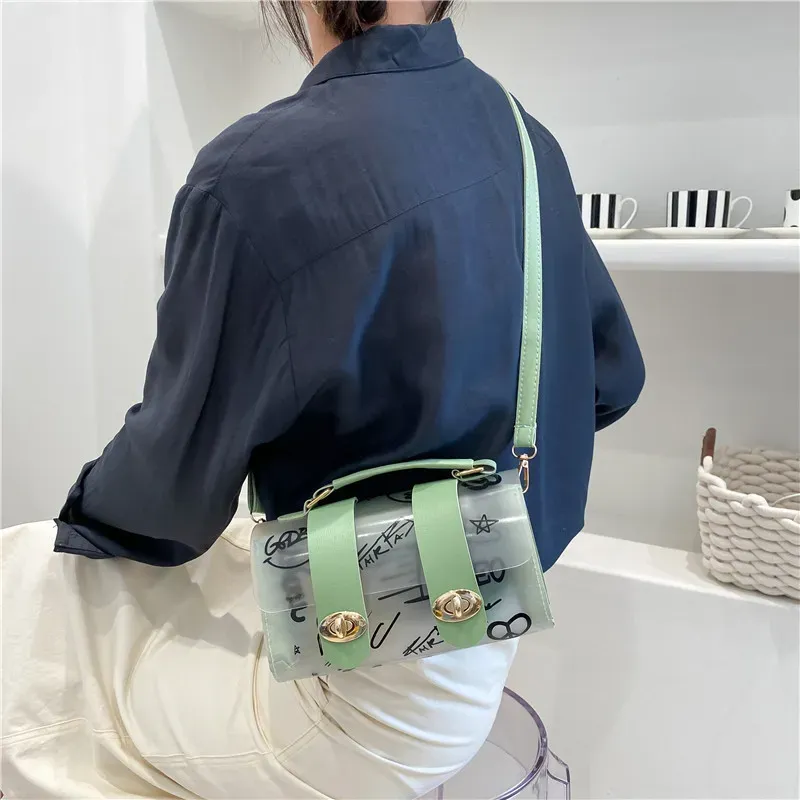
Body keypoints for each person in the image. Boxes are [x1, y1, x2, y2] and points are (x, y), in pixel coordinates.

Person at [1, 1, 645, 797]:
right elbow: (613, 380)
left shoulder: (257, 173)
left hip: (353, 705)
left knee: (31, 625)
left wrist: (81, 517)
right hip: (487, 626)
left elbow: (168, 501)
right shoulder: (526, 138)